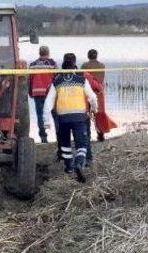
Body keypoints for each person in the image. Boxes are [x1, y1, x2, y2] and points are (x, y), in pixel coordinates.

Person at [43, 53, 98, 183]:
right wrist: (95, 109)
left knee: (65, 144)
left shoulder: (57, 80)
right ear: (74, 64)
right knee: (81, 144)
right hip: (79, 117)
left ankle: (68, 168)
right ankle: (79, 164)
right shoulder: (81, 79)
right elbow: (93, 97)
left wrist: (46, 123)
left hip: (62, 118)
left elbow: (47, 103)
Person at [81, 49, 117, 141]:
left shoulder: (84, 65)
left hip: (87, 92)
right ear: (96, 56)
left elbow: (82, 78)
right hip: (99, 92)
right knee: (99, 113)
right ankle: (100, 134)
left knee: (86, 113)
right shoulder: (102, 65)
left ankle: (87, 135)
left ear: (88, 56)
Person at [28, 46, 57, 143]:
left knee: (40, 115)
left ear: (39, 53)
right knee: (54, 114)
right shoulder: (52, 64)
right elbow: (57, 77)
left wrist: (30, 92)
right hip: (50, 93)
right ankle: (59, 134)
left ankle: (43, 137)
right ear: (48, 53)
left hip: (37, 92)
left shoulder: (33, 64)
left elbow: (29, 80)